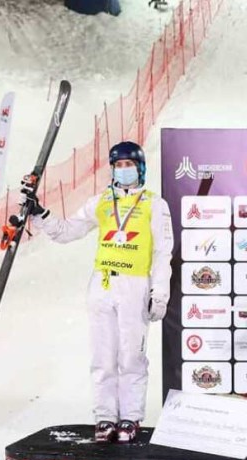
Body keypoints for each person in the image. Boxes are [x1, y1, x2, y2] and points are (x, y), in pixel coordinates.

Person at [28, 141, 173, 443]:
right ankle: (105, 417)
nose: (123, 170)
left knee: (132, 355)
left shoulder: (154, 204)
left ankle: (130, 417)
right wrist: (41, 215)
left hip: (134, 285)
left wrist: (160, 293)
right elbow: (69, 230)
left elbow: (162, 253)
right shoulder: (102, 202)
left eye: (128, 165)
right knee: (103, 356)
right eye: (117, 166)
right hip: (103, 283)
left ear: (140, 168)